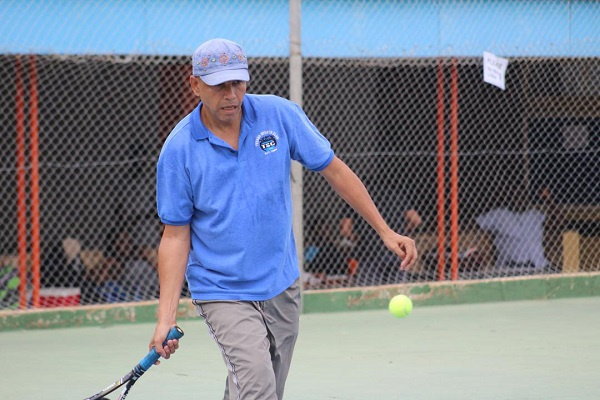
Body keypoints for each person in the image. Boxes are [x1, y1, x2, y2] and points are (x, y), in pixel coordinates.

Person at [149, 38, 418, 400]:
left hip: (282, 283)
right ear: (195, 85)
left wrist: (385, 230)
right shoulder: (178, 150)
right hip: (222, 290)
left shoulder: (279, 115)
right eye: (219, 86)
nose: (231, 94)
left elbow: (334, 170)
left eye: (237, 83)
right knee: (257, 386)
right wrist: (166, 318)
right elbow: (175, 236)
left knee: (262, 387)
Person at [340, 181, 423, 285]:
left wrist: (356, 238)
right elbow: (416, 220)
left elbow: (345, 230)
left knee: (368, 292)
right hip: (395, 248)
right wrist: (404, 231)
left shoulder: (355, 197)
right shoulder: (396, 195)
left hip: (369, 250)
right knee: (397, 291)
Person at [475, 185, 552, 275]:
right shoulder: (499, 215)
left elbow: (558, 221)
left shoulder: (535, 214)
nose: (519, 198)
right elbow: (474, 224)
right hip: (509, 268)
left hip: (537, 266)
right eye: (515, 195)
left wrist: (549, 200)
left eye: (523, 195)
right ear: (509, 197)